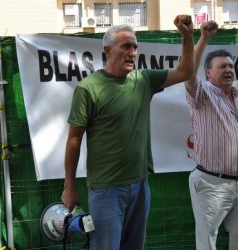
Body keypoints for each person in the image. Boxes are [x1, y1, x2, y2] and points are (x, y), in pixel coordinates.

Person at [61, 15, 194, 250]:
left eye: (135, 47)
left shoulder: (143, 79)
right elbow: (74, 138)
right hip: (106, 189)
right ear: (107, 50)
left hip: (140, 185)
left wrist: (186, 36)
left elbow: (185, 72)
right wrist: (69, 186)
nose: (133, 52)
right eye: (126, 46)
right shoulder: (87, 88)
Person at [185, 21, 238, 250]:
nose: (228, 70)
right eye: (222, 67)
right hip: (211, 183)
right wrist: (204, 38)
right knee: (207, 242)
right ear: (207, 72)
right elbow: (188, 71)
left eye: (230, 66)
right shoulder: (202, 95)